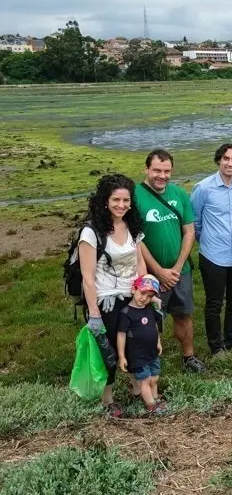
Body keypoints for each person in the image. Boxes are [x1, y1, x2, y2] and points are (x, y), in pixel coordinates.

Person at [77, 174, 147, 418]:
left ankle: (140, 388)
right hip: (106, 300)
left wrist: (146, 290)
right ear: (104, 201)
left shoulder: (132, 225)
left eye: (126, 200)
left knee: (135, 344)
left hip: (133, 296)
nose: (121, 205)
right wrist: (94, 314)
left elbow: (139, 260)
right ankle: (108, 399)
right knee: (109, 353)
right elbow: (87, 277)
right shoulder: (91, 232)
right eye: (116, 199)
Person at [135, 149, 205, 374]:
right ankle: (150, 363)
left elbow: (189, 231)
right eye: (157, 170)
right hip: (150, 274)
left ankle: (189, 357)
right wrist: (158, 271)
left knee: (184, 315)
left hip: (180, 271)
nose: (162, 176)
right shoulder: (135, 195)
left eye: (166, 171)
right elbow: (135, 239)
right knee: (149, 319)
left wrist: (175, 268)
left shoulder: (179, 194)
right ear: (146, 169)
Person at [190, 143, 232, 355]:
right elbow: (194, 221)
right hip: (213, 255)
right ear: (219, 160)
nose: (230, 163)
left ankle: (231, 341)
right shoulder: (203, 188)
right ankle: (216, 347)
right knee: (214, 304)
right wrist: (207, 240)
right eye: (226, 159)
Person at [117, 274, 166, 415]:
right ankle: (151, 405)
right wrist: (122, 356)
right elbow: (121, 334)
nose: (144, 298)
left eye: (149, 296)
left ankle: (155, 398)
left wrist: (158, 342)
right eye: (142, 293)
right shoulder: (126, 313)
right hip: (137, 354)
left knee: (154, 378)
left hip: (151, 352)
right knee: (145, 380)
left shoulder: (149, 309)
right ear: (134, 289)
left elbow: (154, 326)